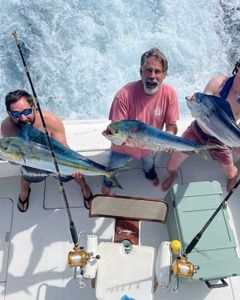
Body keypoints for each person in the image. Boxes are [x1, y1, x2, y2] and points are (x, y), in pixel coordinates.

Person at [102, 47, 179, 195]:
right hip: (123, 150)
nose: (152, 76)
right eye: (148, 70)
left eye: (157, 71)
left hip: (151, 148)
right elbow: (116, 130)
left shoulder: (170, 94)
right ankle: (108, 183)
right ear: (140, 72)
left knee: (149, 163)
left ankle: (149, 173)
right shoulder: (123, 95)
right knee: (112, 168)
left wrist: (169, 138)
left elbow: (171, 125)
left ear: (164, 75)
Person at [1, 89, 93, 212]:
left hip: (56, 160)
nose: (23, 118)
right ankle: (25, 192)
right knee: (26, 176)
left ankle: (84, 187)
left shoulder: (51, 121)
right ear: (9, 114)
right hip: (30, 163)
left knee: (76, 174)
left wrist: (77, 167)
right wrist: (14, 157)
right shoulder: (7, 127)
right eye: (16, 114)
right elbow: (14, 161)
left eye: (27, 111)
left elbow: (64, 151)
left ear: (33, 107)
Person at [162, 59, 240, 193]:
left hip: (223, 139)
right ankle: (173, 174)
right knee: (172, 164)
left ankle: (233, 177)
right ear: (238, 66)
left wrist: (236, 144)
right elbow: (204, 102)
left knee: (229, 172)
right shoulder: (218, 82)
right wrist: (195, 104)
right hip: (197, 130)